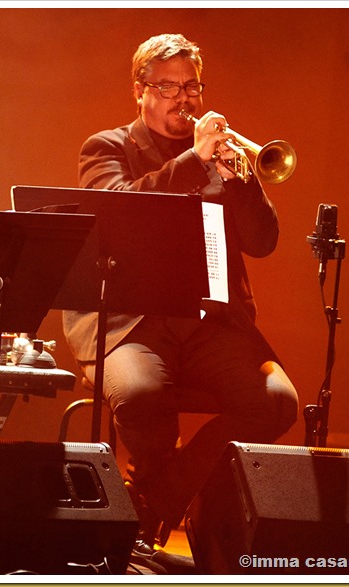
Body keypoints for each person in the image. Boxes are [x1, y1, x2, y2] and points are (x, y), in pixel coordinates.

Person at [63, 34, 298, 555]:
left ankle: (156, 497)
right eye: (168, 87)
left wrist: (242, 183)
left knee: (278, 403)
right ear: (139, 92)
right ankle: (158, 498)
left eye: (191, 85)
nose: (184, 98)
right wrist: (194, 160)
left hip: (207, 322)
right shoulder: (107, 148)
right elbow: (120, 214)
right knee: (142, 395)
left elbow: (262, 243)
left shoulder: (221, 160)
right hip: (130, 322)